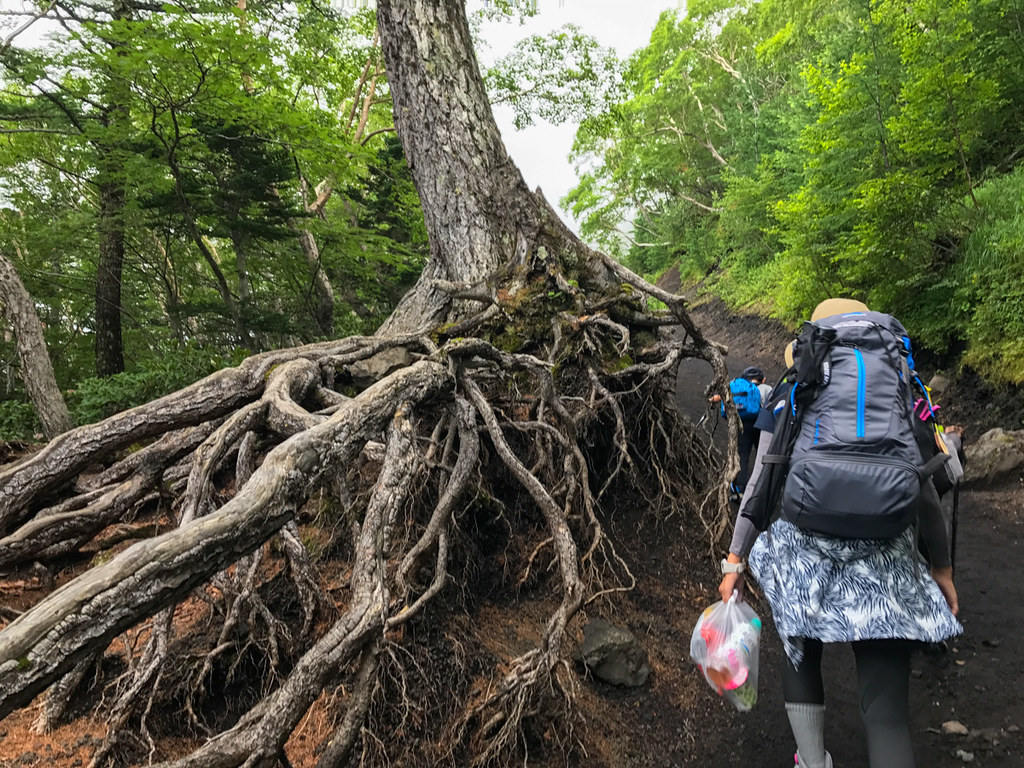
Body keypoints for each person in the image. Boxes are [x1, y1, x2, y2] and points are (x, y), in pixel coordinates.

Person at [717, 298, 961, 768]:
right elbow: (925, 483)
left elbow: (760, 484)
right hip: (886, 555)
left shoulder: (794, 386)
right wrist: (942, 567)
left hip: (803, 551)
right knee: (887, 717)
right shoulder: (897, 383)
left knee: (800, 651)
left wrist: (735, 559)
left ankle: (811, 759)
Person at [711, 366, 772, 502]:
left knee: (742, 457)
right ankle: (763, 489)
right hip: (761, 424)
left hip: (742, 424)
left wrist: (713, 399)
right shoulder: (767, 389)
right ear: (763, 379)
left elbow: (723, 397)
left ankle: (739, 490)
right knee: (763, 456)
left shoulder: (739, 388)